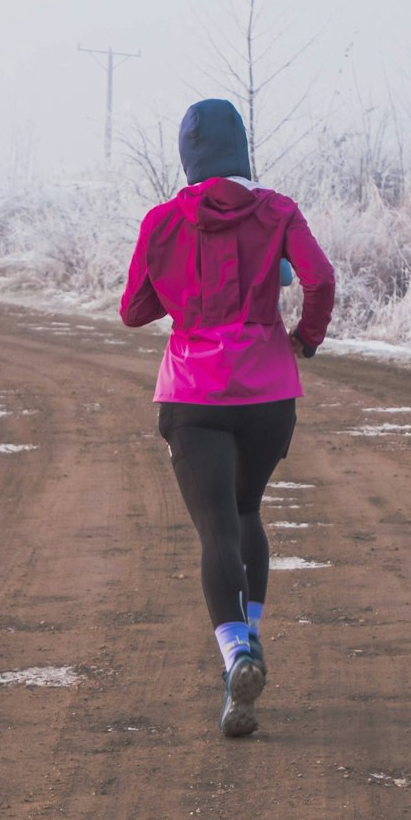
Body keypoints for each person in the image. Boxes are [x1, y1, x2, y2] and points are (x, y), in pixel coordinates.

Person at [119, 99, 336, 737]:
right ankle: (253, 639)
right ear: (242, 150)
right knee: (246, 515)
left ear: (187, 158)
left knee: (215, 531)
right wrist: (307, 338)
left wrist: (178, 289)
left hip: (193, 397)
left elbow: (133, 309)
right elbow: (320, 278)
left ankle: (236, 654)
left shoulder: (163, 221)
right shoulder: (276, 210)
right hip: (268, 395)